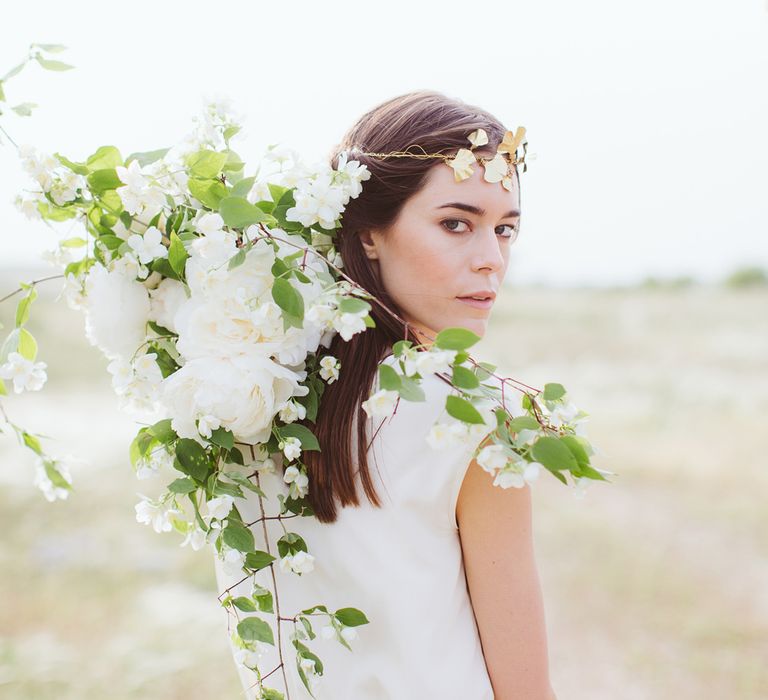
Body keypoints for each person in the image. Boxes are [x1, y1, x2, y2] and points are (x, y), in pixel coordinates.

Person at [214, 90, 557, 699]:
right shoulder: (478, 419)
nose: (491, 261)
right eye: (457, 223)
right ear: (368, 232)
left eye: (505, 230)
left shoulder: (241, 388)